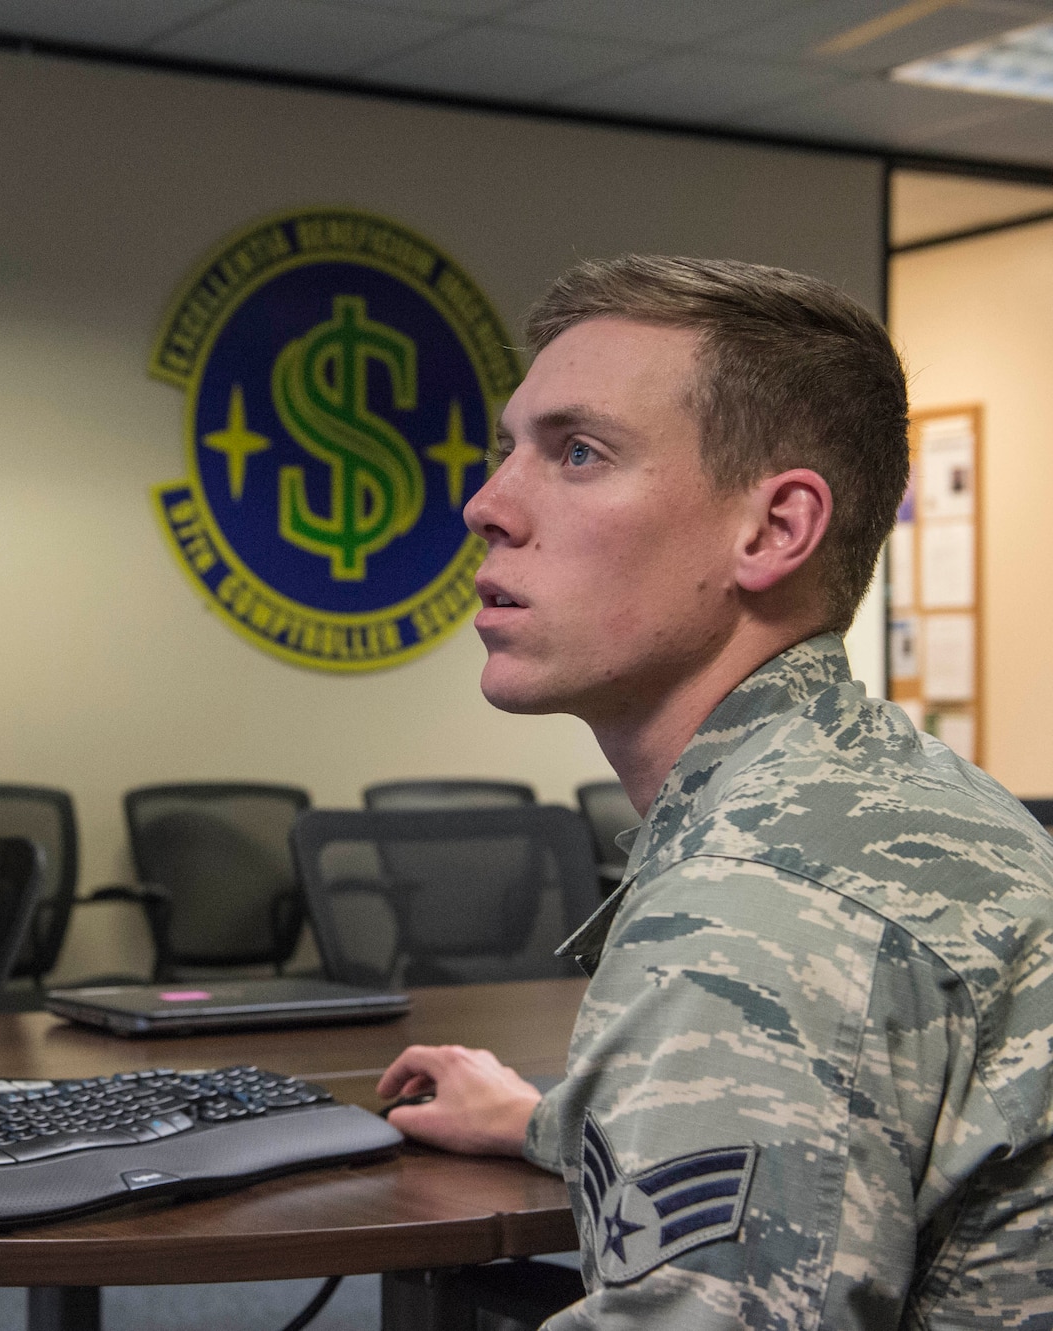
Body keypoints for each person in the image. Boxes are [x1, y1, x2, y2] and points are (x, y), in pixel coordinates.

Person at [375, 256, 1053, 1328]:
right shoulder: (892, 790)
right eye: (509, 450)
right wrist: (549, 1119)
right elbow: (838, 1131)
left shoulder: (756, 900)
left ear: (773, 530)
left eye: (578, 452)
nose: (485, 505)